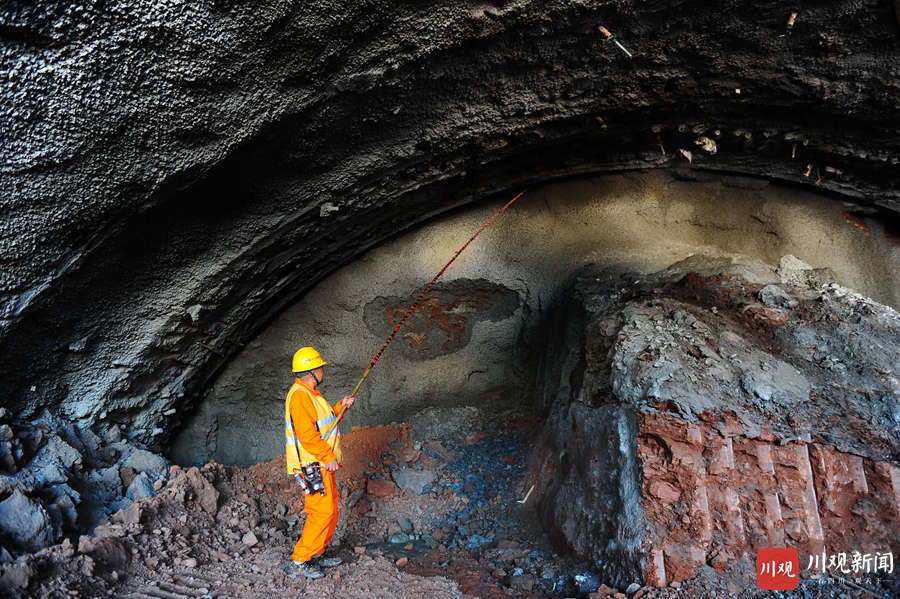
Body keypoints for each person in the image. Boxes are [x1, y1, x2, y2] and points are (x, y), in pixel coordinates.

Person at [284, 346, 355, 579]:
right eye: (321, 367)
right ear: (313, 371)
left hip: (319, 463)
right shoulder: (300, 396)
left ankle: (317, 552)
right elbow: (307, 436)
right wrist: (328, 457)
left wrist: (340, 407)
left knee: (330, 510)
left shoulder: (311, 393)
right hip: (313, 465)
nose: (323, 370)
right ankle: (300, 559)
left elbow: (324, 424)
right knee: (321, 513)